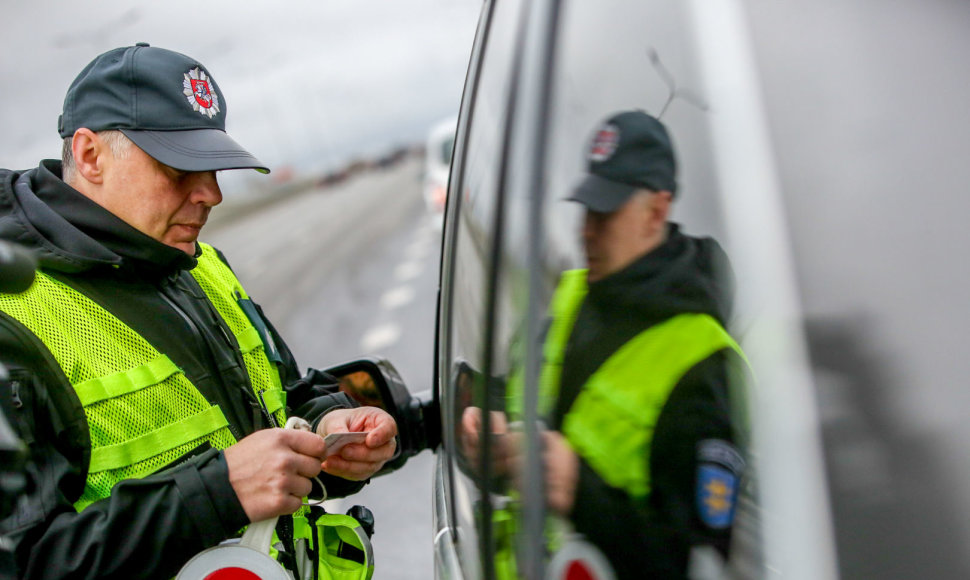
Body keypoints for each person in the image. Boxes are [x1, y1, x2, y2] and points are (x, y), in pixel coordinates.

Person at [0, 44, 398, 580]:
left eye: (212, 167)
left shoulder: (200, 263)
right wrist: (218, 493)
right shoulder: (14, 317)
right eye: (177, 167)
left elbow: (274, 402)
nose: (210, 193)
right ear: (90, 155)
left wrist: (328, 426)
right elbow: (22, 563)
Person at [464, 110, 748, 579]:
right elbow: (528, 395)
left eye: (606, 211)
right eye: (586, 209)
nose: (586, 230)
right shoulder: (576, 294)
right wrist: (486, 424)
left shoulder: (703, 362)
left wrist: (579, 490)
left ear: (656, 211)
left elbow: (699, 564)